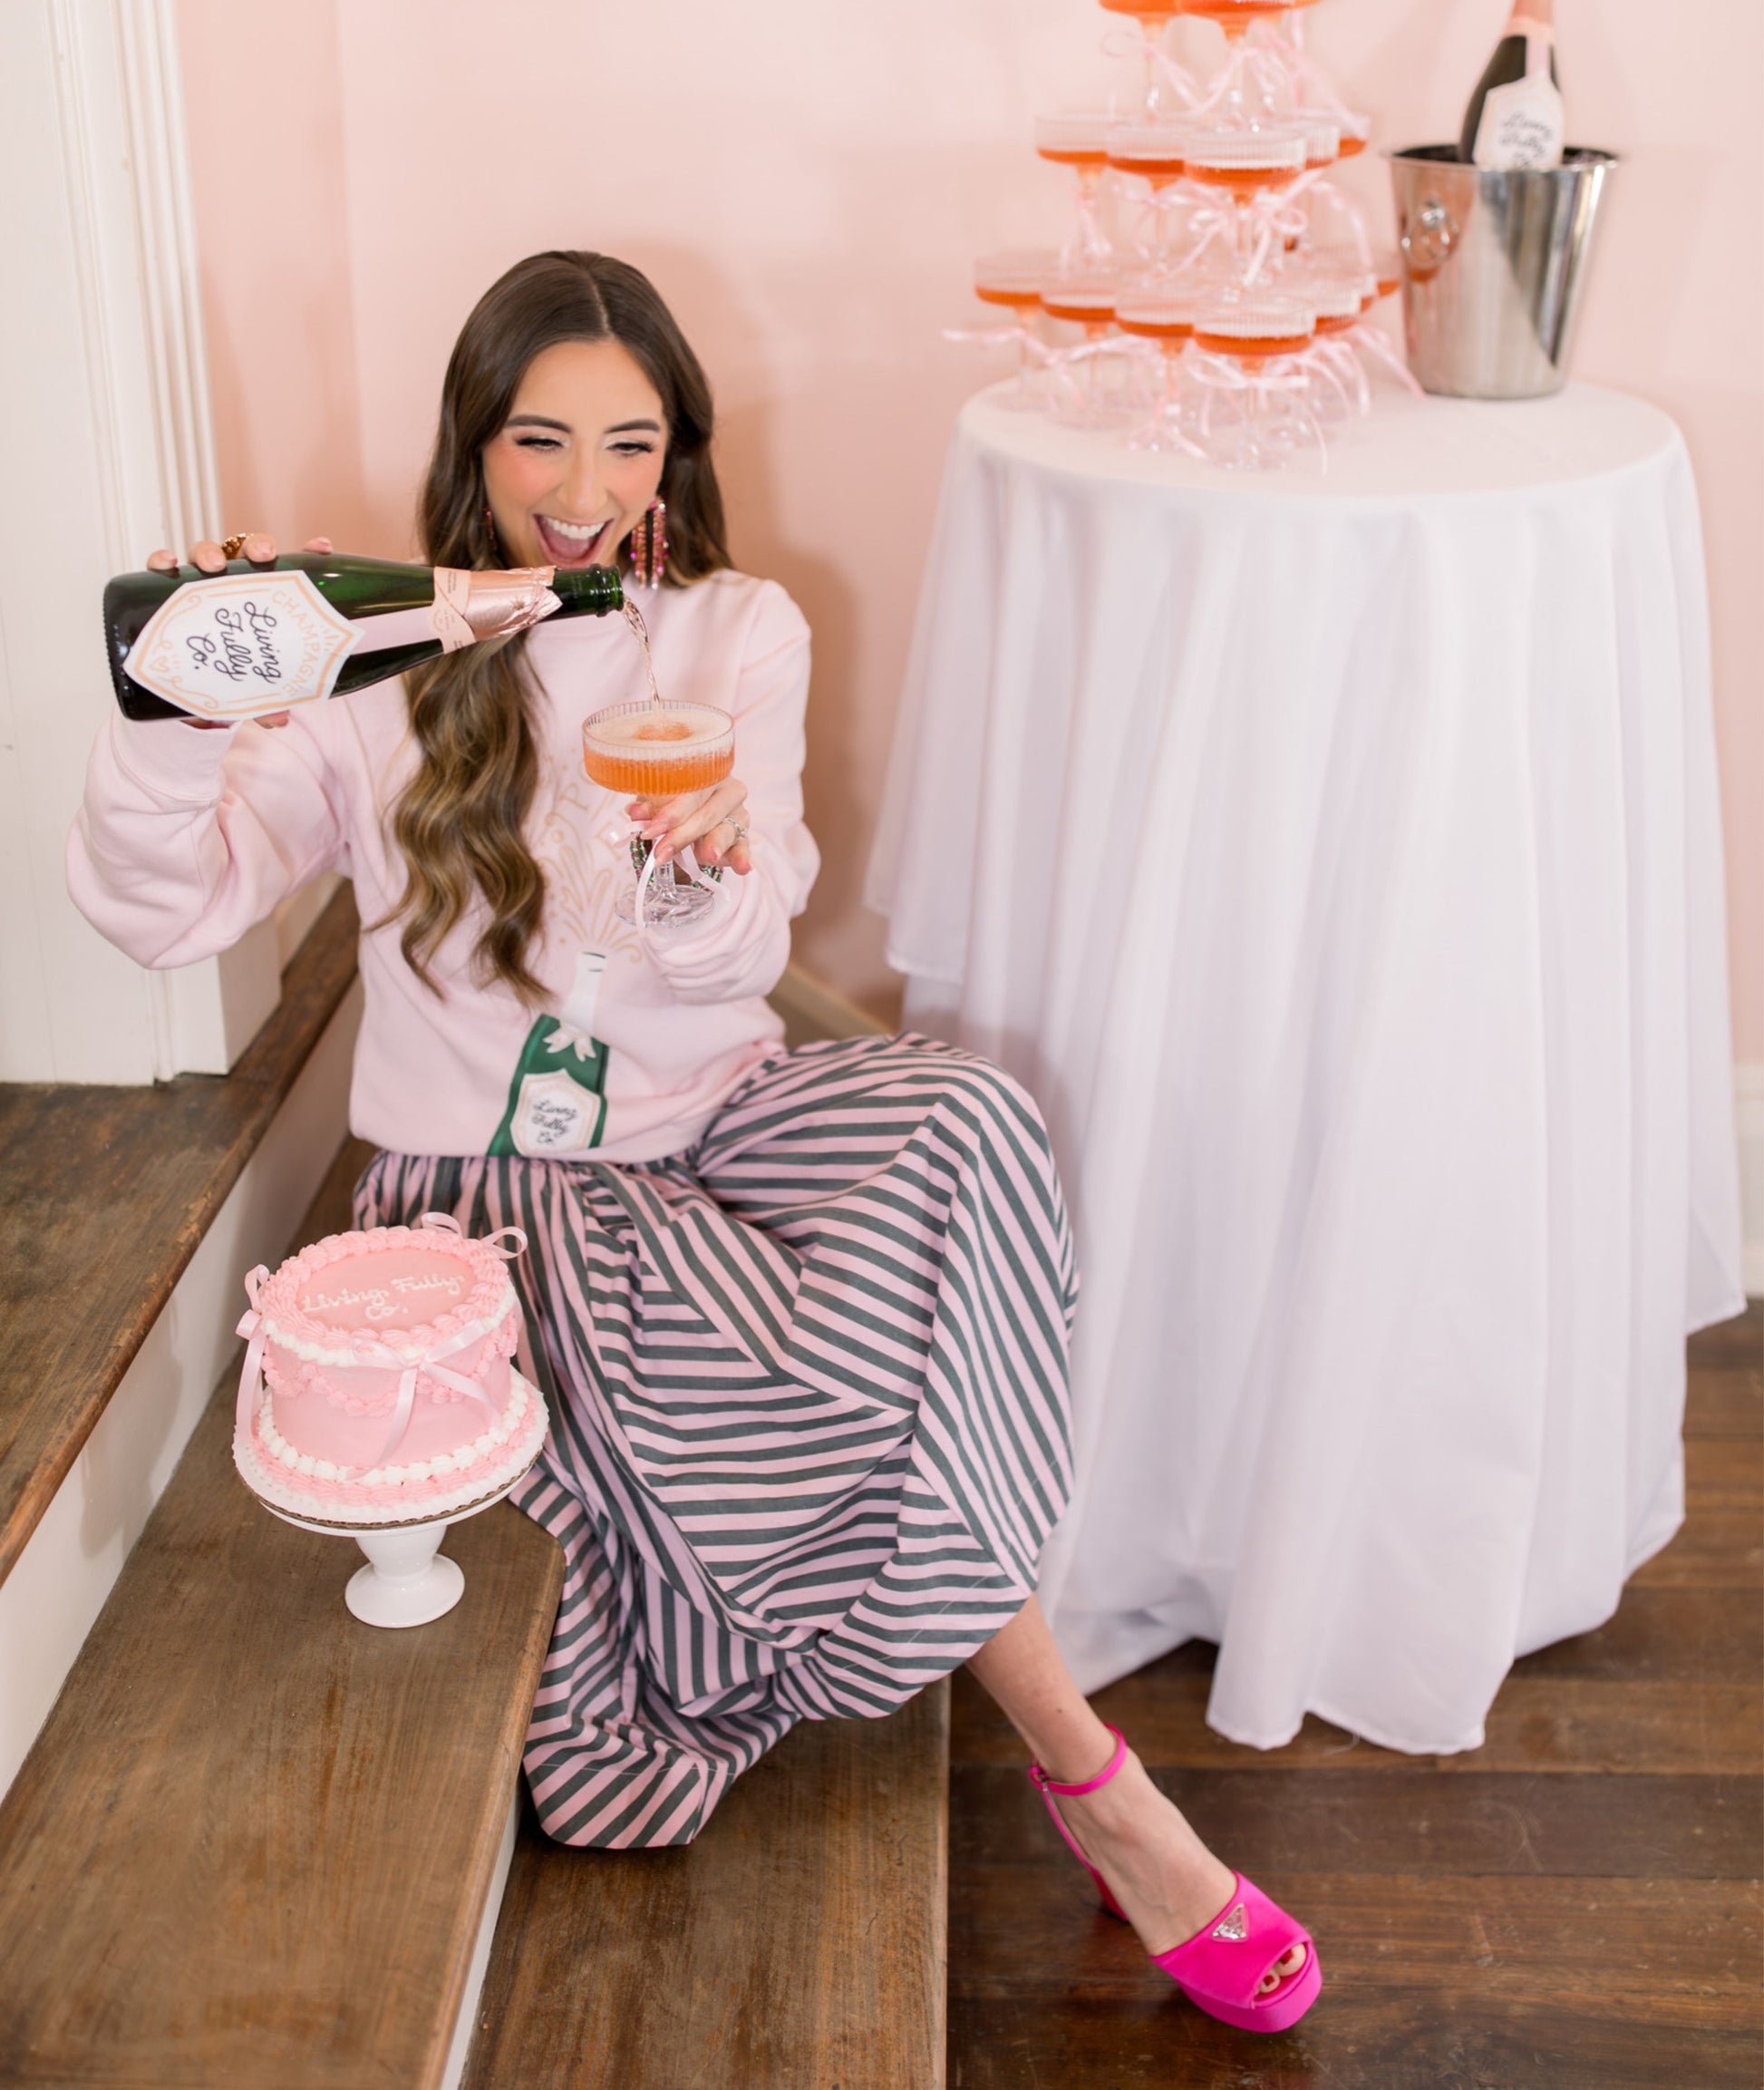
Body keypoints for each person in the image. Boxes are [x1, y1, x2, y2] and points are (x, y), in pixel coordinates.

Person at [68, 249, 1316, 2034]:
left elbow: (741, 951)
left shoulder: (740, 627)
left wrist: (705, 868)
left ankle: (1025, 1709)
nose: (585, 493)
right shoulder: (369, 659)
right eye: (538, 442)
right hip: (501, 1192)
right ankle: (1094, 1773)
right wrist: (178, 730)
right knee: (762, 1436)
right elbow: (165, 913)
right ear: (471, 445)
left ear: (678, 453)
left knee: (966, 1120)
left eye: (630, 444)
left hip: (723, 1114)